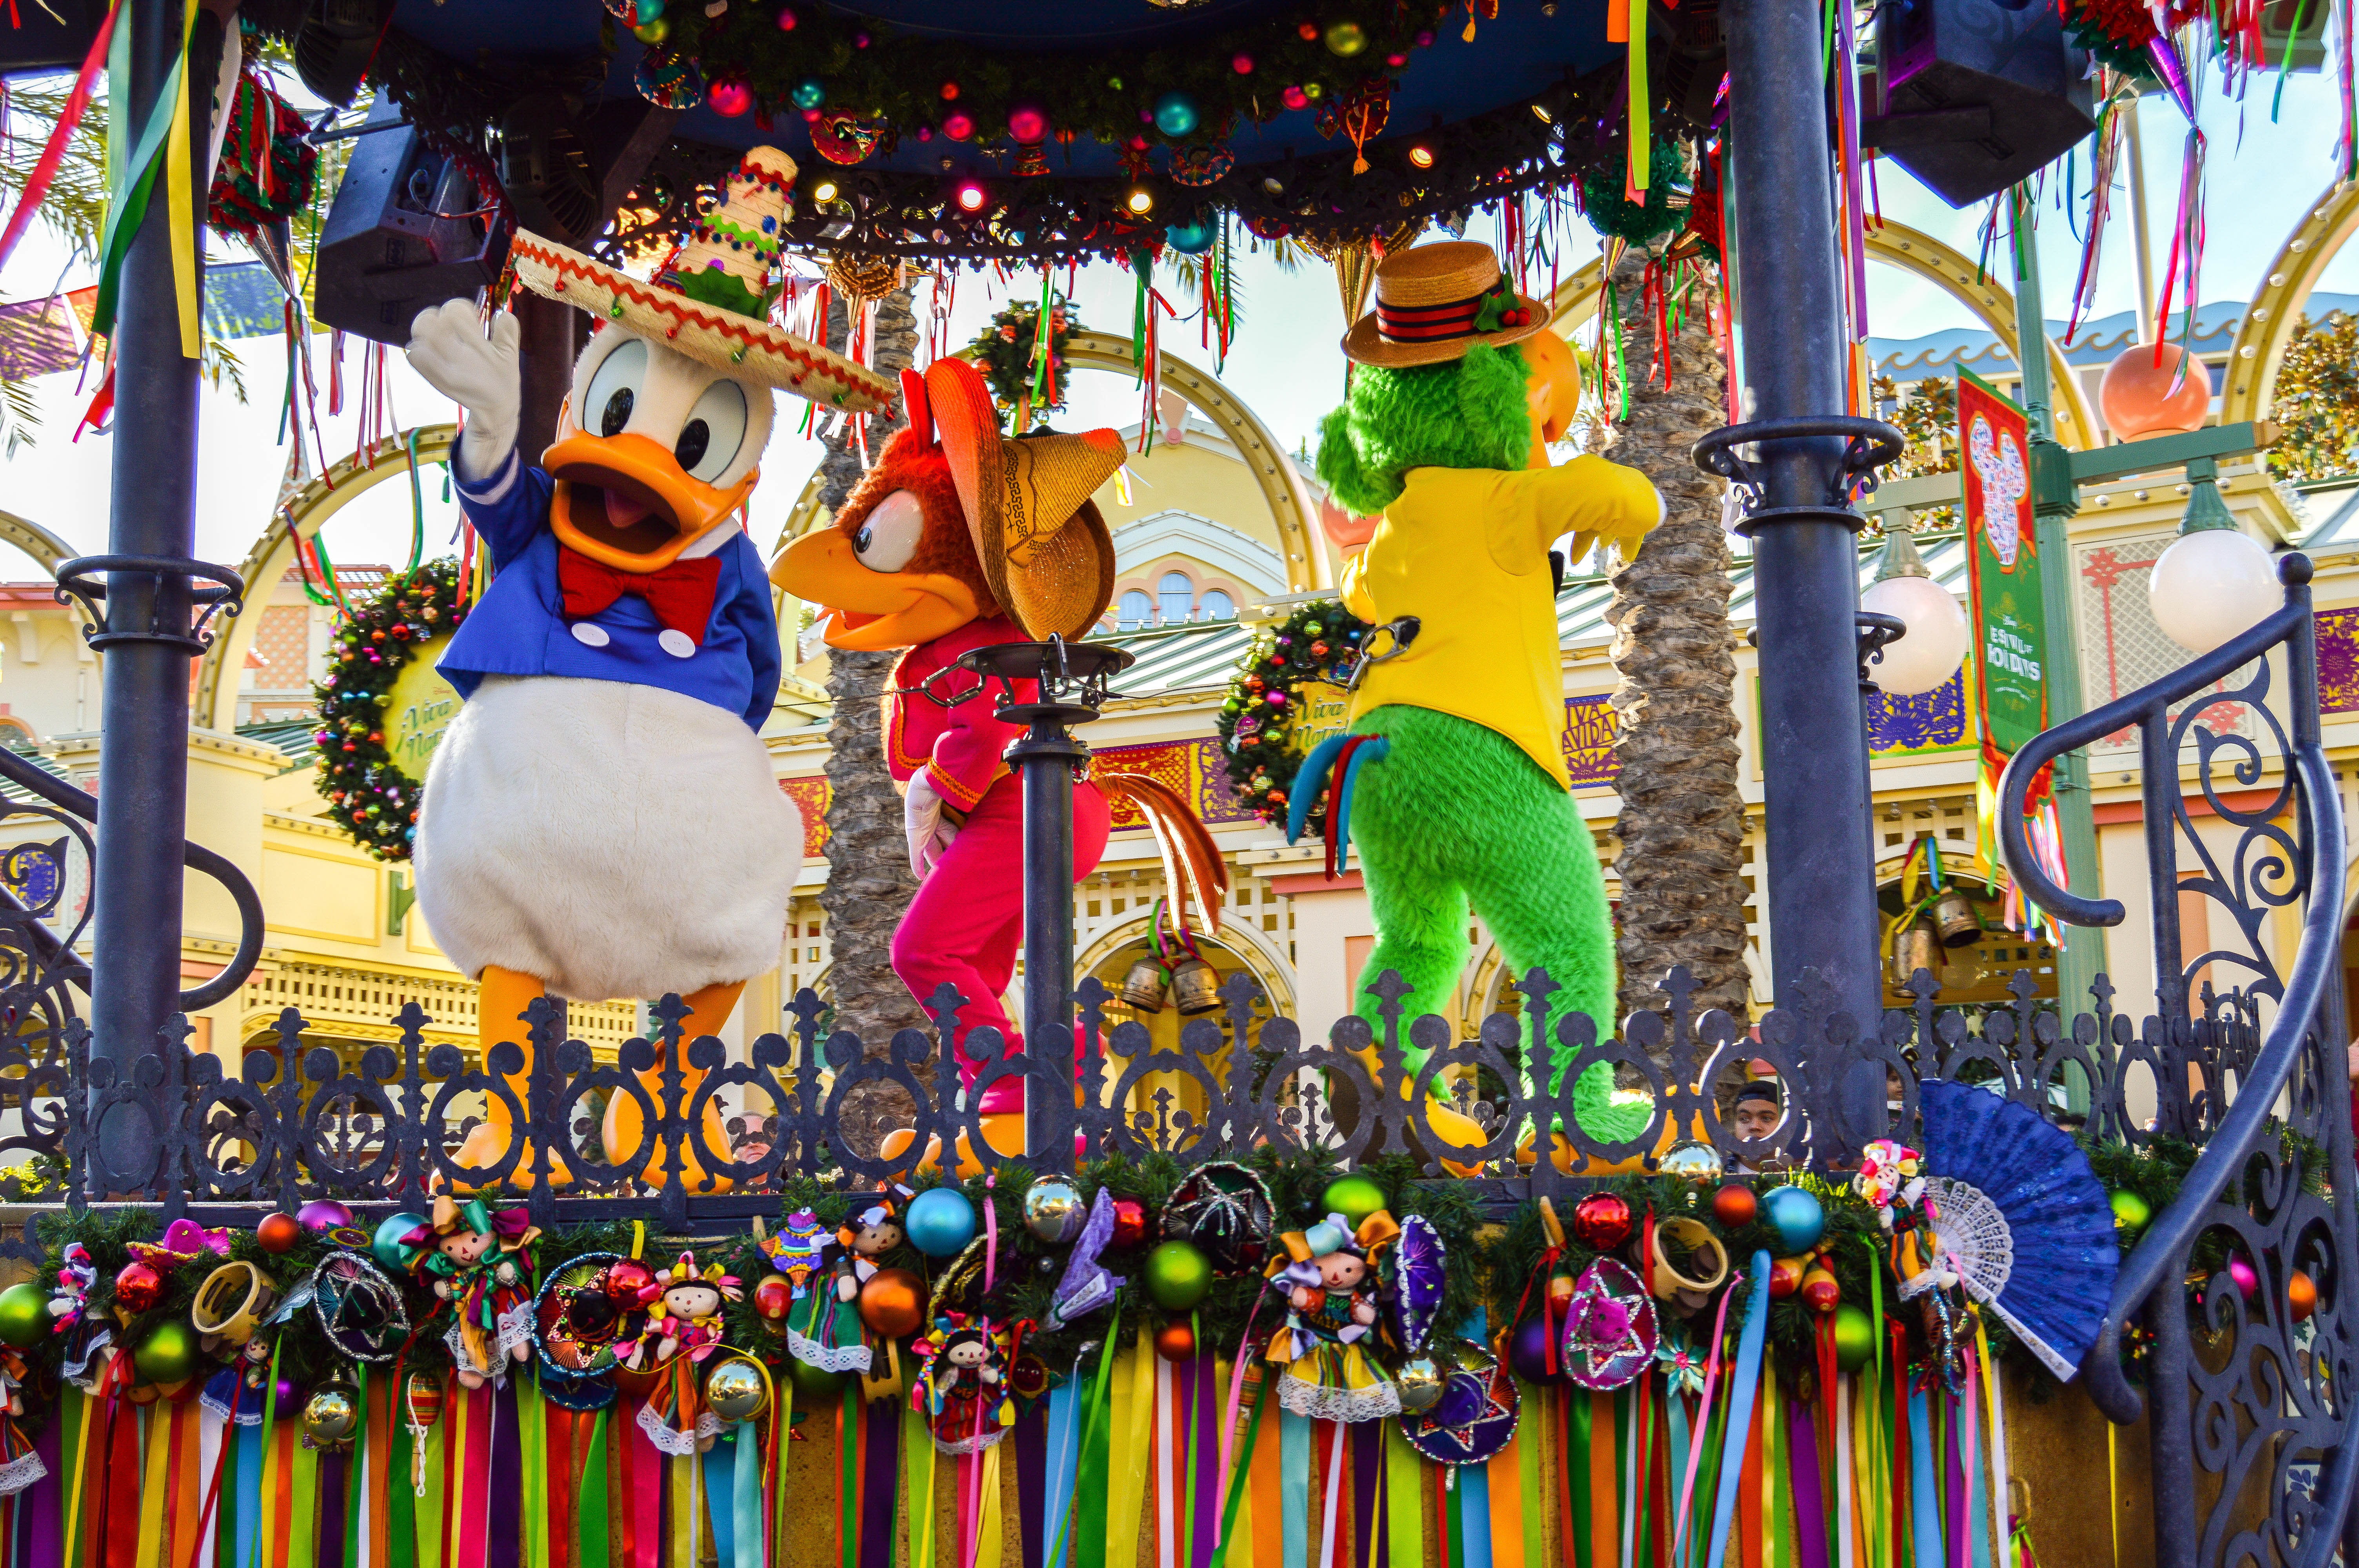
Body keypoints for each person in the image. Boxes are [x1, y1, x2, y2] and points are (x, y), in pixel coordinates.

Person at [1727, 1079, 1782, 1174]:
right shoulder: (1715, 1173)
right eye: (1744, 1119)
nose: (1755, 1126)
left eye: (1767, 1118)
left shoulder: (1803, 1174)